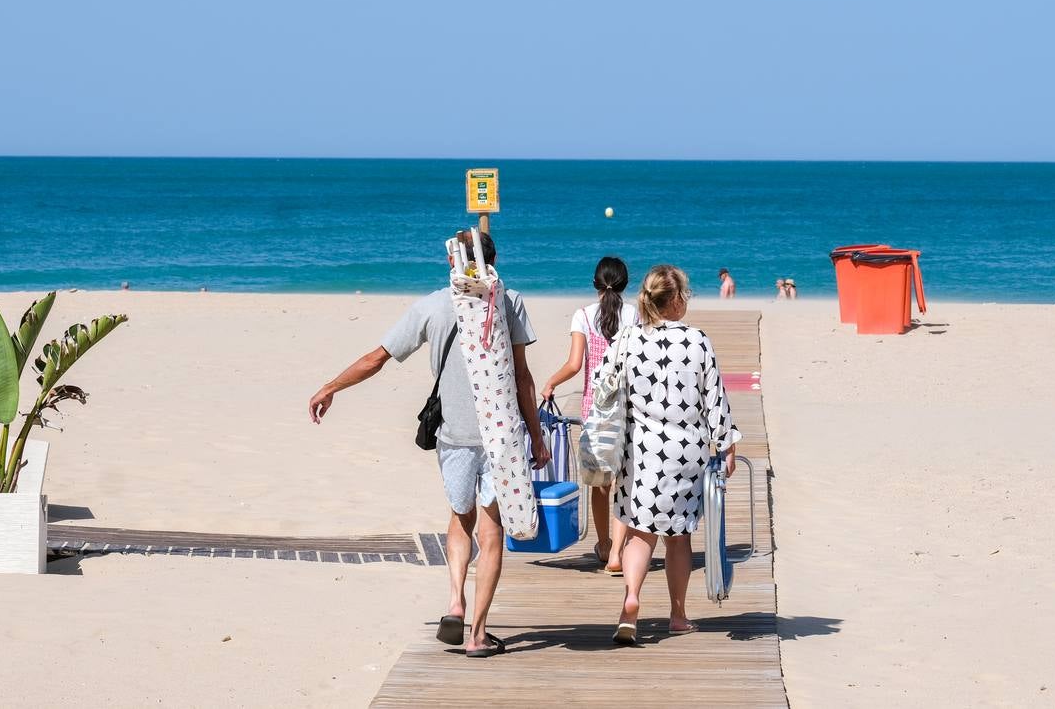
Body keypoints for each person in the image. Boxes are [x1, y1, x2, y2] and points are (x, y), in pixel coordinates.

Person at [307, 230, 549, 659]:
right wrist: (535, 434)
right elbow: (523, 377)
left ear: (452, 262)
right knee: (491, 531)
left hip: (452, 436)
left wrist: (331, 387)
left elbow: (377, 358)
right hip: (500, 438)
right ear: (494, 261)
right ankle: (477, 635)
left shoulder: (433, 306)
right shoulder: (507, 301)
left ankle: (454, 600)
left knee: (460, 519)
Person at [609, 265, 741, 645]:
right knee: (678, 538)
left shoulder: (629, 338)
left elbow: (607, 385)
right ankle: (678, 615)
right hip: (686, 450)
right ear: (677, 299)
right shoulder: (697, 341)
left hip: (640, 448)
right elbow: (714, 398)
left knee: (639, 532)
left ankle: (630, 600)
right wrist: (727, 445)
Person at [540, 257, 638, 573]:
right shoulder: (634, 314)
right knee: (628, 480)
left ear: (595, 283)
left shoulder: (582, 316)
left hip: (594, 413)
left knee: (600, 484)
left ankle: (604, 544)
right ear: (624, 284)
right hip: (629, 410)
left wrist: (550, 382)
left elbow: (574, 365)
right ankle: (620, 551)